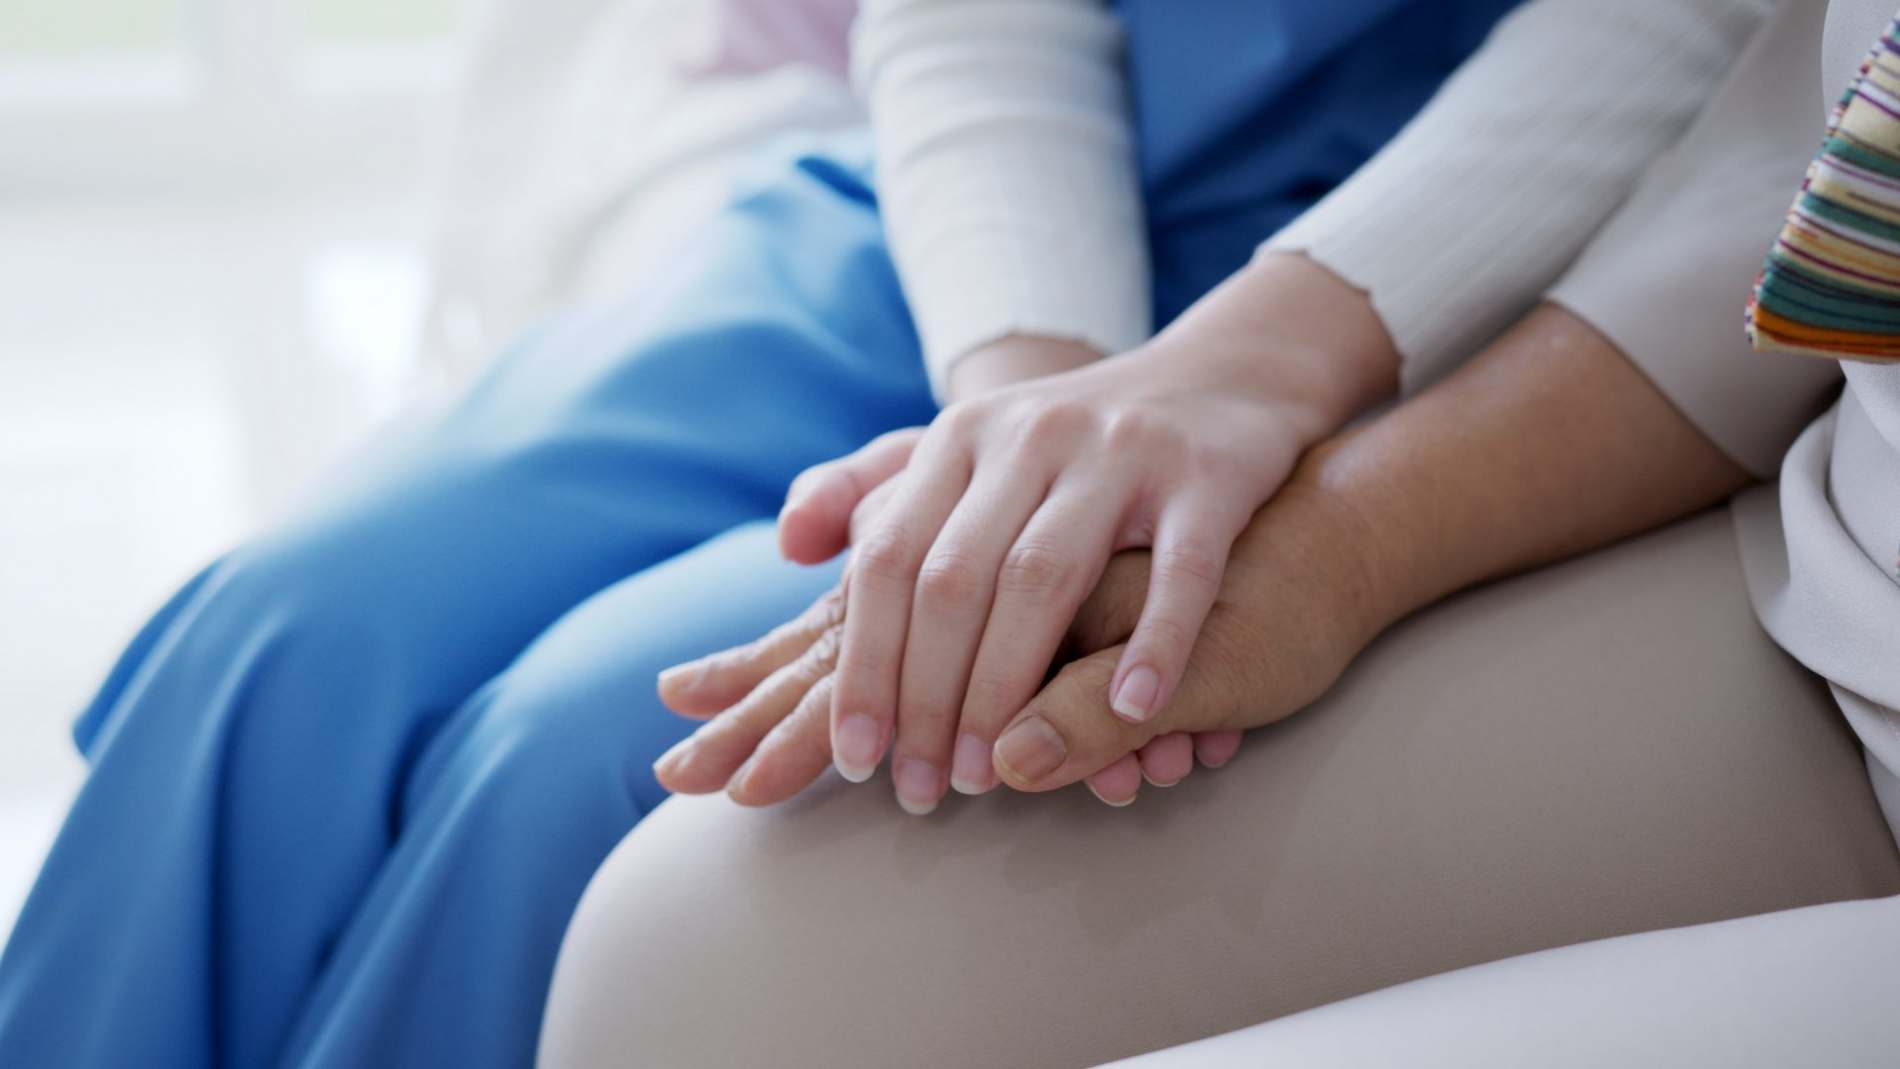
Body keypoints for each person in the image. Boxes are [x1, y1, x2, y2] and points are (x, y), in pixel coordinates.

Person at [6, 0, 1675, 1065]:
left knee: (593, 755)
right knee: (286, 637)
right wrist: (1032, 389)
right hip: (947, 225)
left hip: (1423, 297)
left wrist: (1255, 360)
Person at [537, 0, 1900, 1064]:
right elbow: (1811, 147)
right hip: (994, 257)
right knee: (547, 805)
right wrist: (1034, 476)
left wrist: (1321, 489)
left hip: (1419, 286)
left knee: (611, 795)